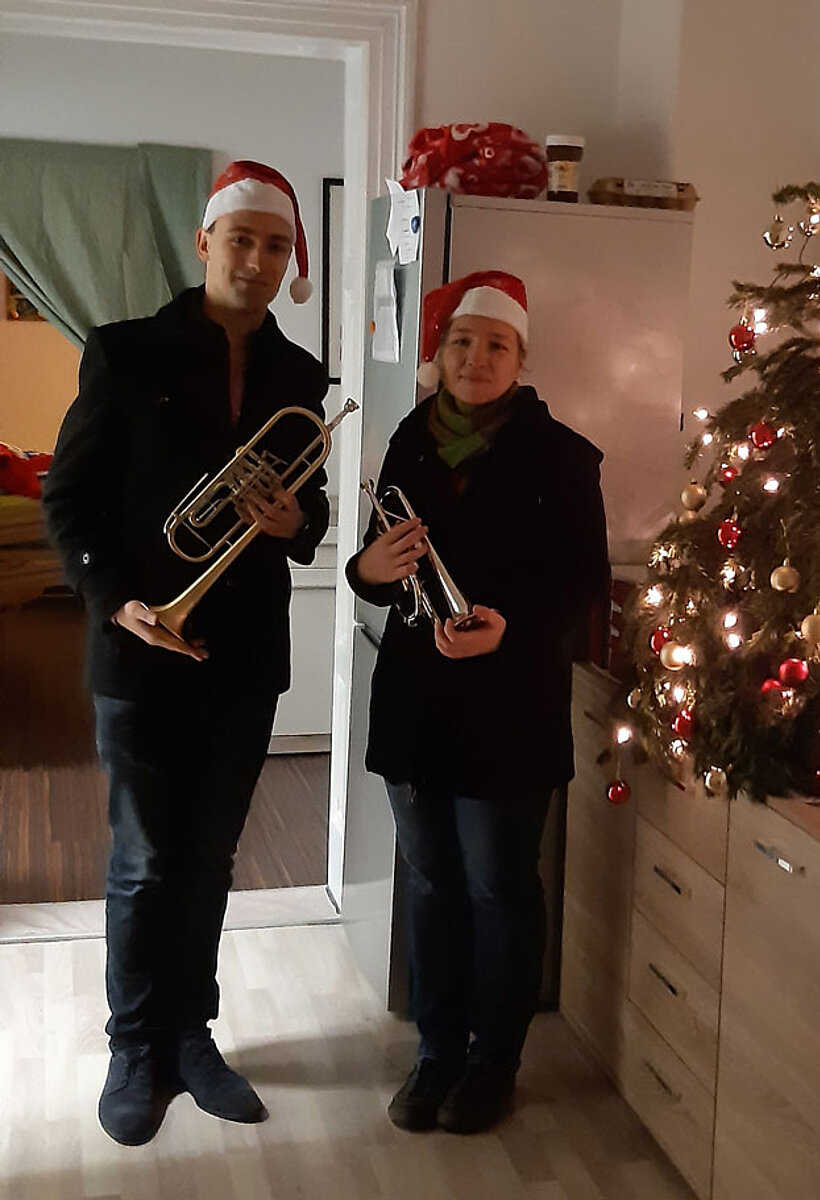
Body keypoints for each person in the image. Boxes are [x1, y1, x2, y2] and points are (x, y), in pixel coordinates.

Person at [43, 160, 330, 1147]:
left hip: (243, 657)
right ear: (205, 242)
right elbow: (68, 499)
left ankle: (191, 1036)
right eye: (241, 240)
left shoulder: (299, 373)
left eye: (276, 245)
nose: (257, 260)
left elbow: (307, 506)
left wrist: (297, 521)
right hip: (139, 649)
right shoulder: (124, 352)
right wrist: (113, 600)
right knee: (143, 860)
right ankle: (133, 1047)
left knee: (209, 859)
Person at [346, 271, 610, 1134]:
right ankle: (436, 1053)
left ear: (520, 359)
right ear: (441, 352)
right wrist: (364, 570)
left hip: (509, 706)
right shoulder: (409, 437)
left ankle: (493, 1062)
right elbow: (378, 569)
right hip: (417, 702)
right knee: (430, 884)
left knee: (498, 886)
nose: (476, 357)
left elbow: (583, 588)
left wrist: (512, 629)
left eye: (496, 344)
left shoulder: (564, 456)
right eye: (462, 341)